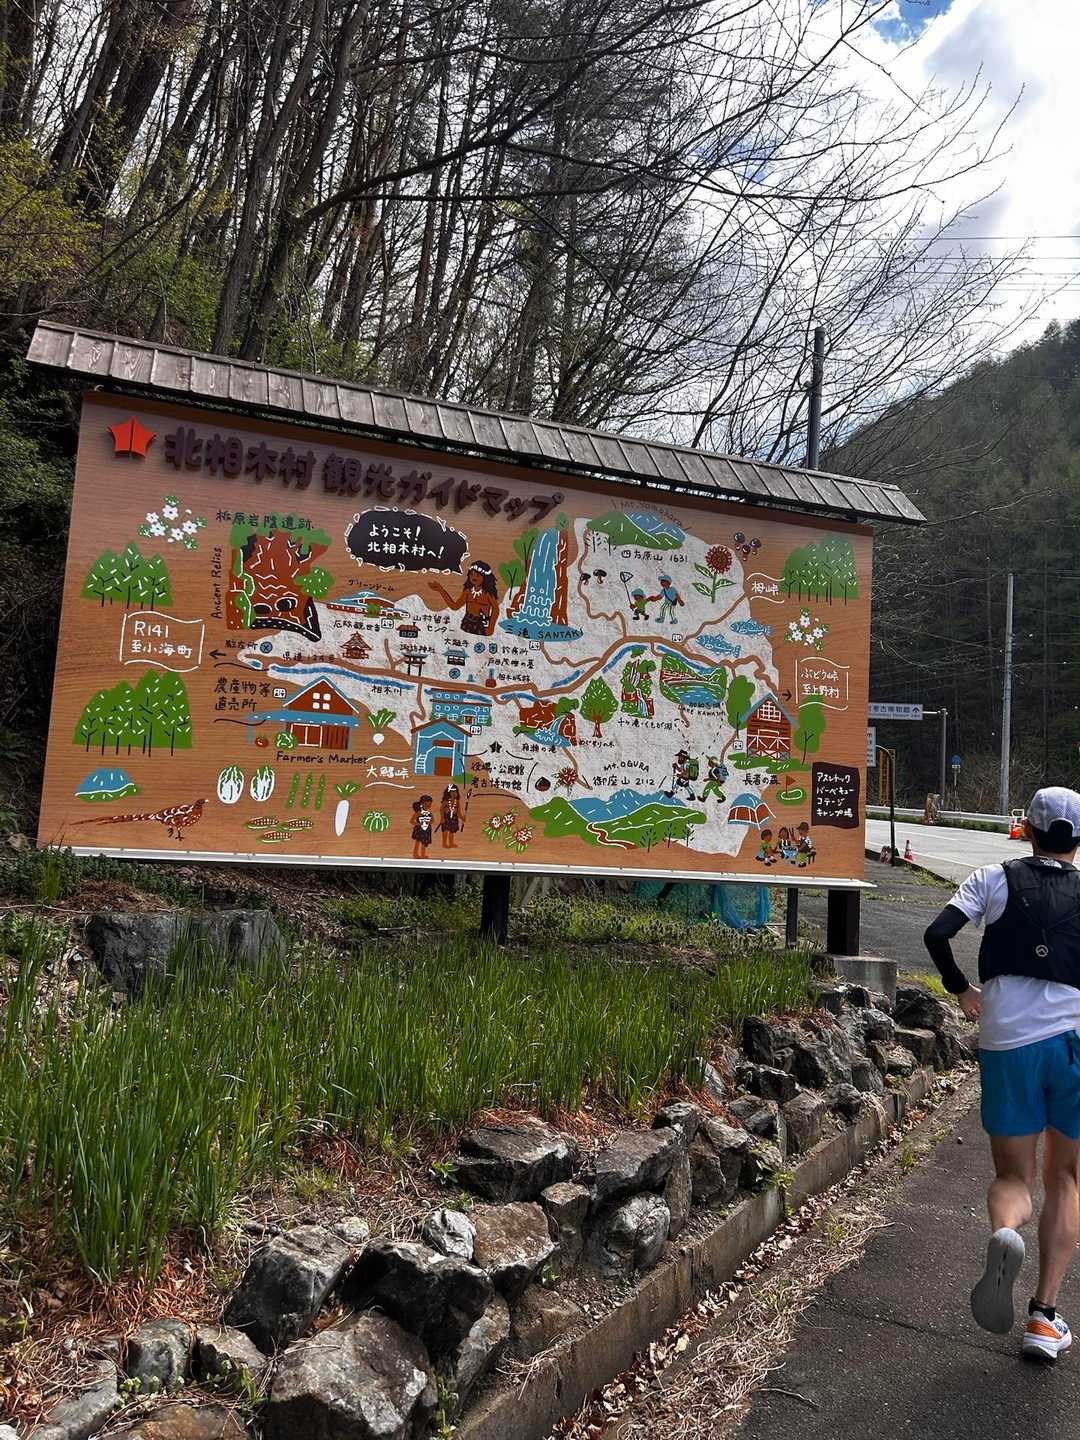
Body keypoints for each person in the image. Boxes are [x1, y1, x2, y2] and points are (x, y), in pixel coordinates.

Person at [923, 787, 1080, 1363]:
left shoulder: (992, 877)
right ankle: (1044, 1318)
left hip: (1007, 1041)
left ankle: (1006, 1231)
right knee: (1066, 1178)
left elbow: (937, 934)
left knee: (1014, 1177)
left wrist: (961, 990)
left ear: (1028, 830)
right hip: (1074, 1046)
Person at [431, 561, 500, 635]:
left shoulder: (488, 594)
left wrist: (491, 627)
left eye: (478, 575)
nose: (474, 577)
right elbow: (455, 606)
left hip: (482, 626)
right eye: (472, 574)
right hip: (466, 625)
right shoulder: (468, 591)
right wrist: (441, 591)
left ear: (485, 578)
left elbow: (496, 609)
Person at [439, 784, 462, 848]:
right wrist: (442, 818)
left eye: (455, 792)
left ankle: (451, 843)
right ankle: (444, 843)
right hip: (446, 818)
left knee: (452, 831)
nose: (454, 793)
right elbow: (441, 809)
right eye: (452, 792)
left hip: (454, 819)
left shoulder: (457, 802)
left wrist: (462, 817)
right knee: (445, 831)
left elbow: (459, 812)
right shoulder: (445, 802)